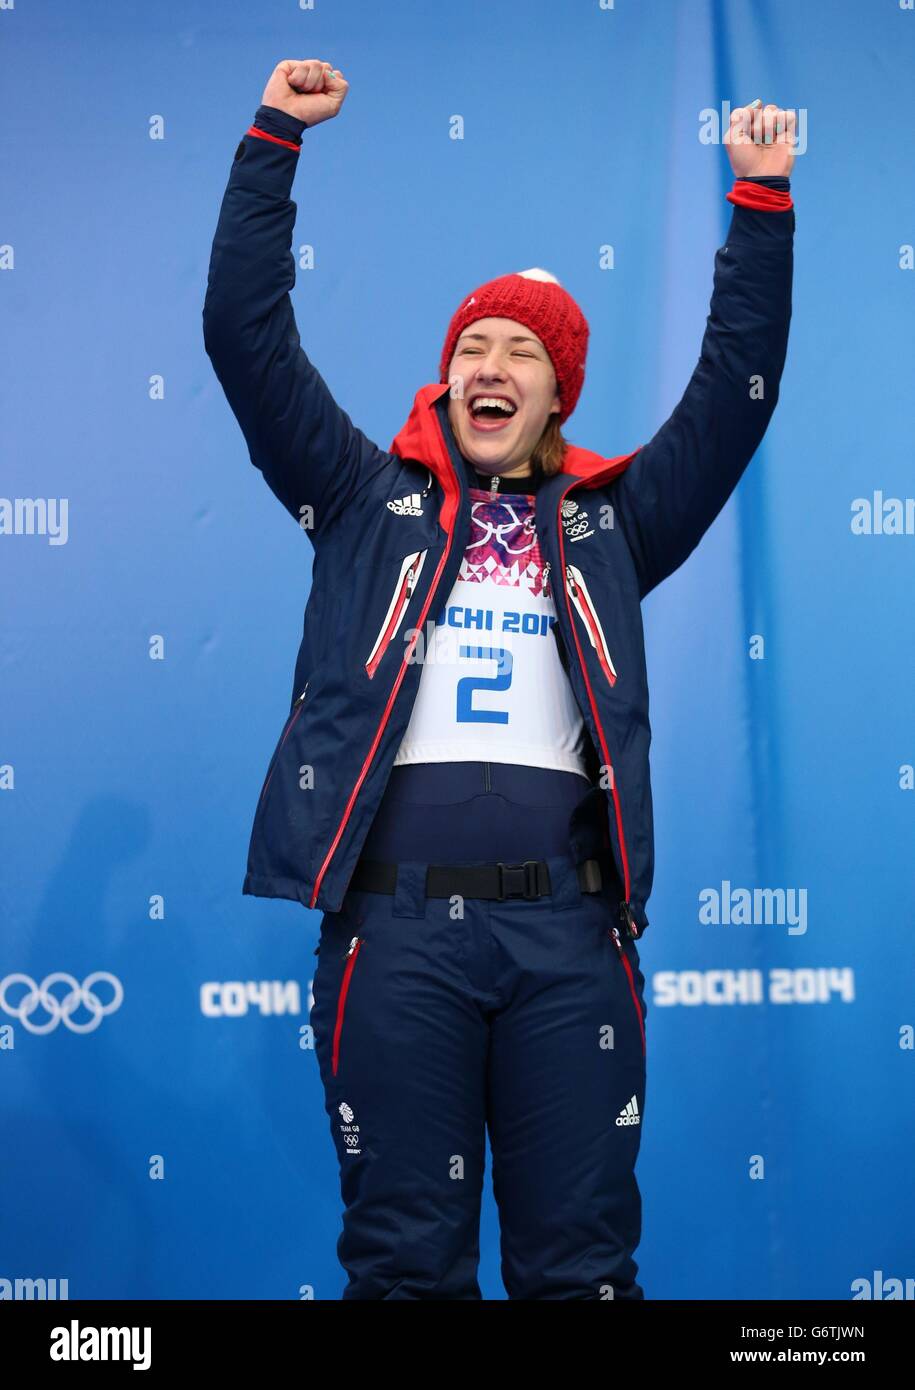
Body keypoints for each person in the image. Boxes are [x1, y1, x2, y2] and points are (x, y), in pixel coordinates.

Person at [203, 59, 795, 1300]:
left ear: (554, 394)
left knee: (580, 1272)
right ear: (447, 376)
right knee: (405, 1269)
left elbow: (732, 404)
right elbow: (244, 337)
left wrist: (760, 203)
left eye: (521, 349)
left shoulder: (616, 524)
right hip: (396, 932)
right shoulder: (366, 499)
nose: (491, 361)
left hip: (571, 942)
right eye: (473, 341)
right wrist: (274, 142)